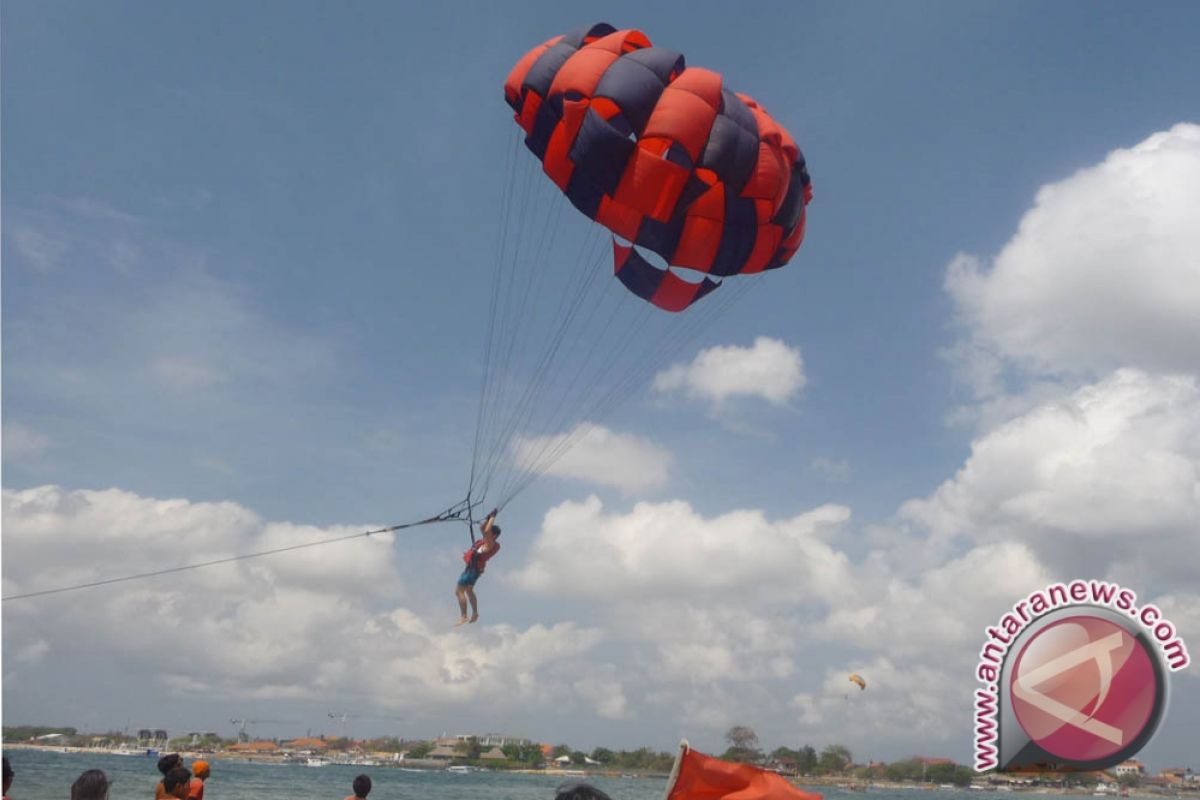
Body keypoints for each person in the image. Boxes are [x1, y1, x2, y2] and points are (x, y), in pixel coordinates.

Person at [455, 509, 500, 625]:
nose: (485, 534)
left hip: (472, 571)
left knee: (459, 591)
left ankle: (464, 616)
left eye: (488, 534)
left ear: (493, 536)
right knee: (469, 590)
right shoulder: (485, 542)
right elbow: (483, 528)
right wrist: (488, 517)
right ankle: (475, 613)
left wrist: (493, 517)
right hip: (473, 570)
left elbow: (486, 530)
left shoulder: (490, 544)